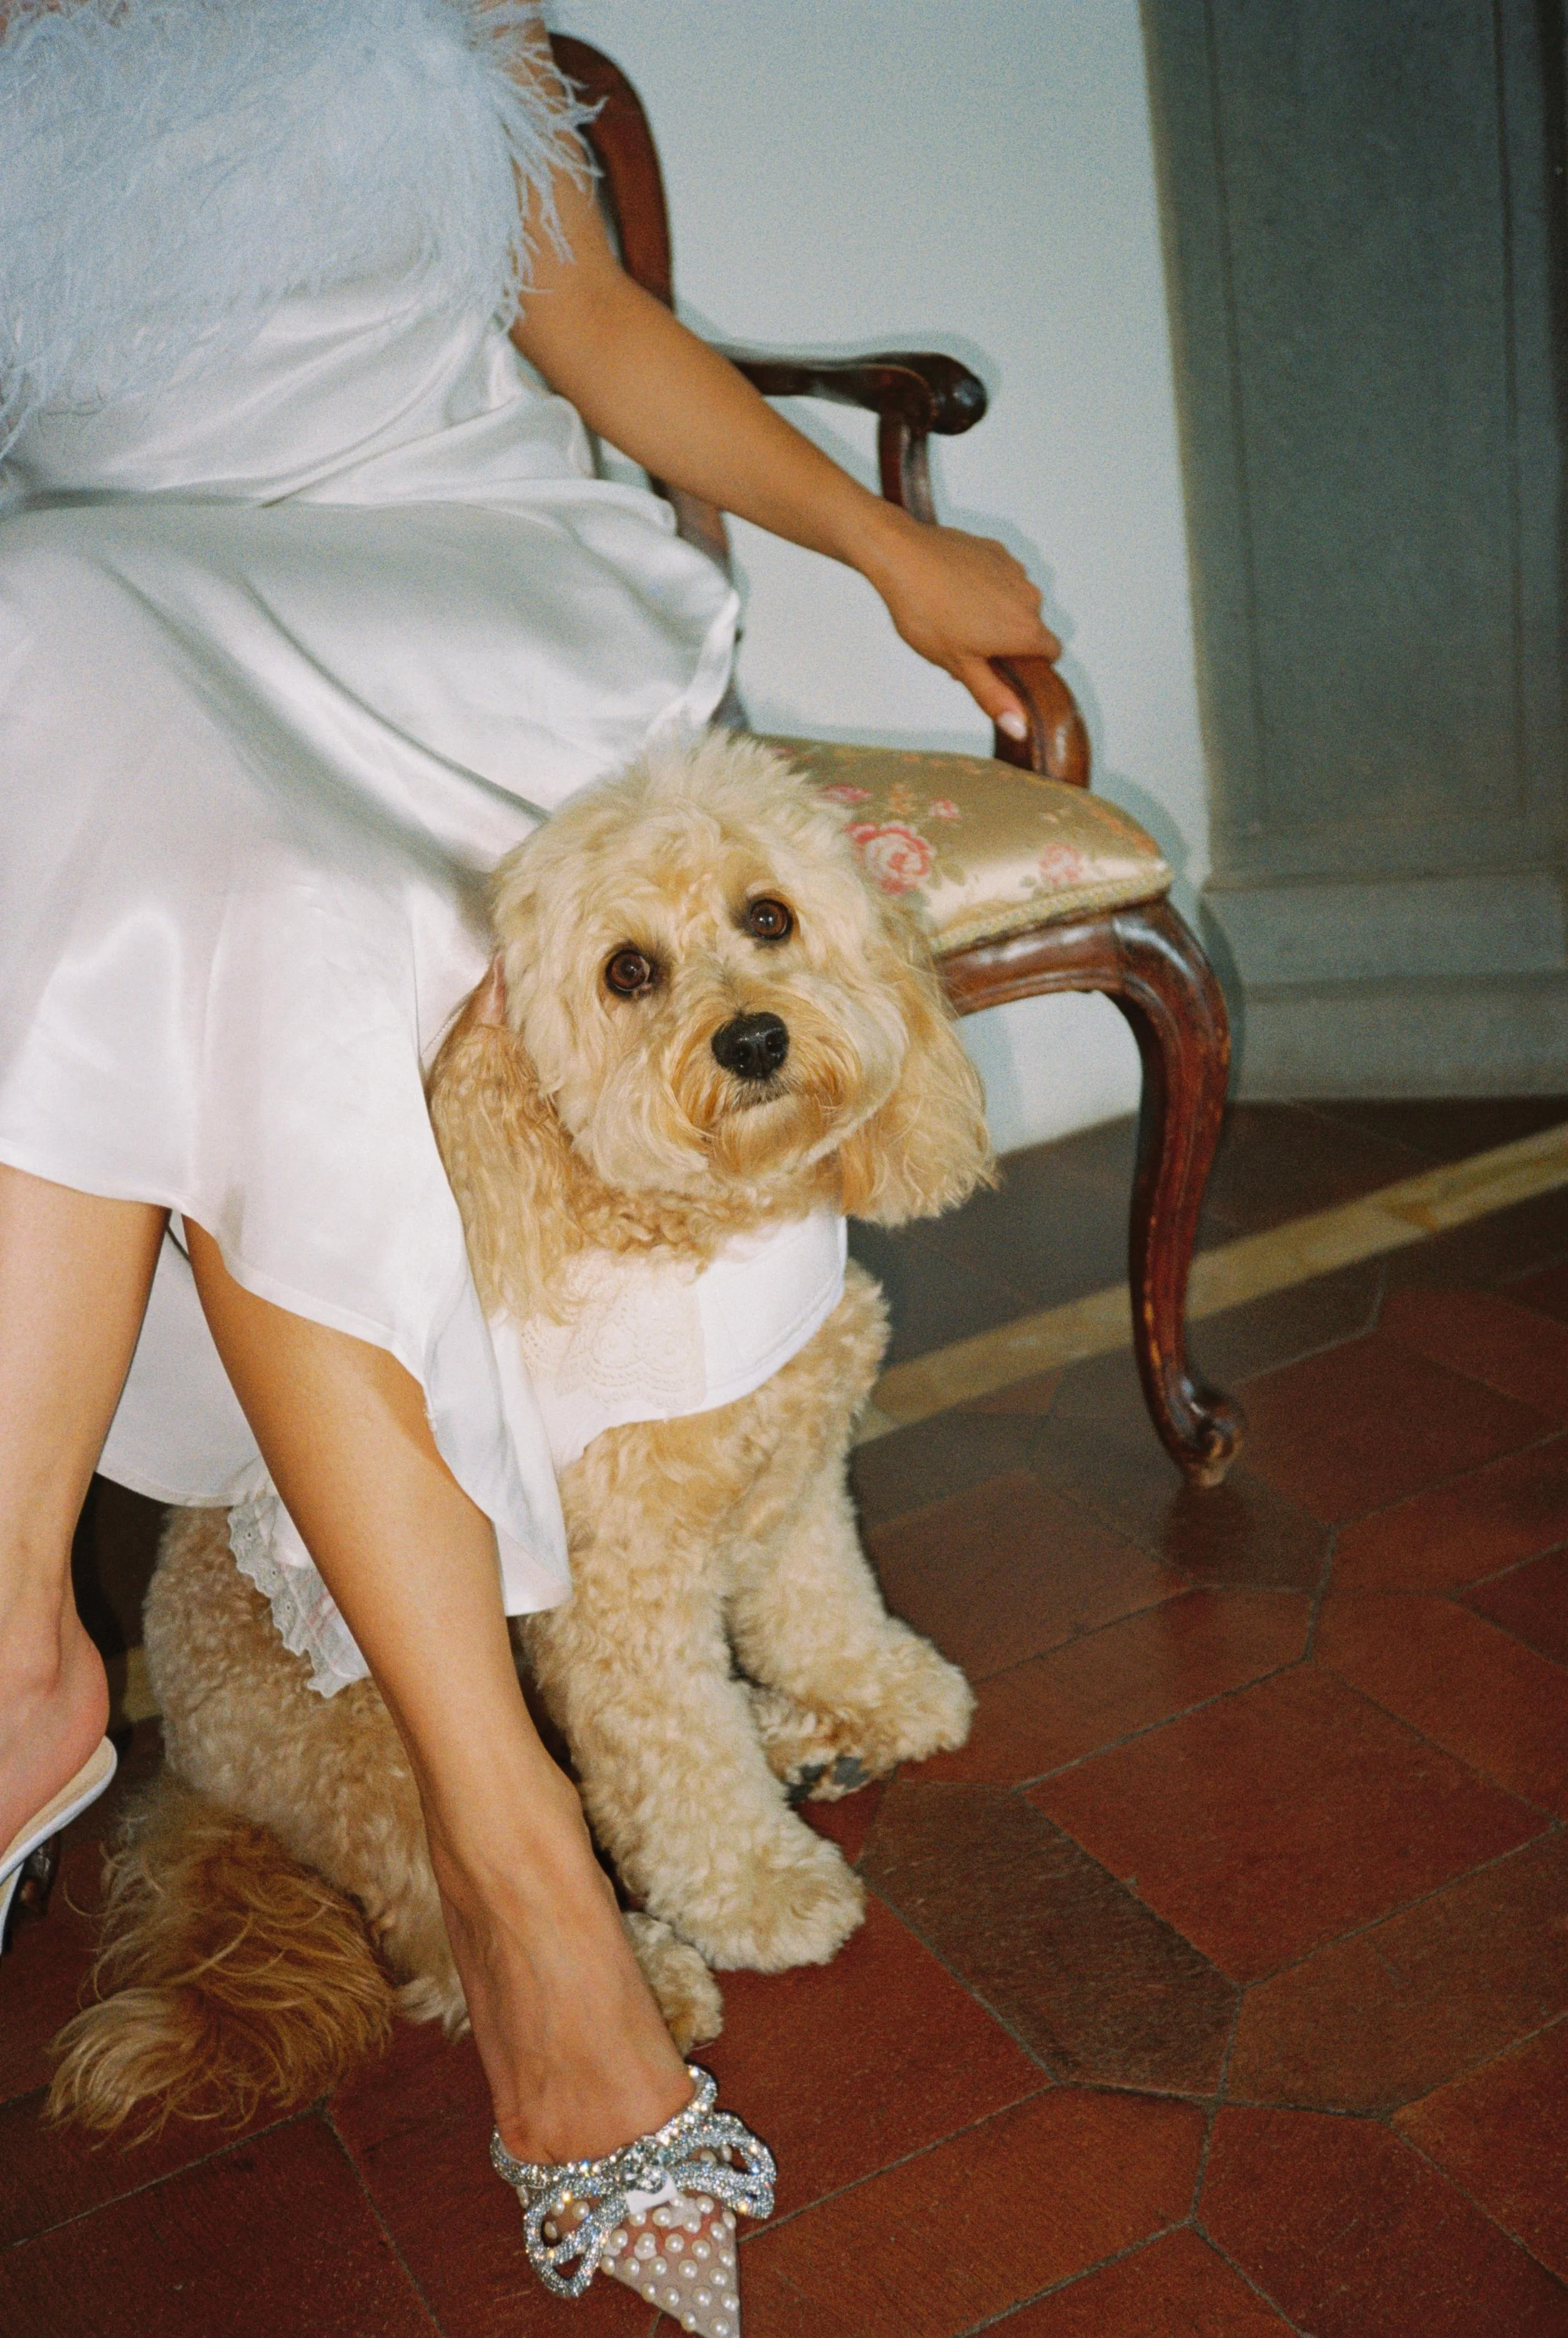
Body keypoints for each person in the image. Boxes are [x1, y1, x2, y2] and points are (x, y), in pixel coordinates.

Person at [0, 0, 1057, 2268]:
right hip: (111, 661)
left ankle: (19, 1669)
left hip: (453, 601)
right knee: (155, 811)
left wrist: (882, 543)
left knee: (50, 661)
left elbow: (581, 316)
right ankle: (520, 1873)